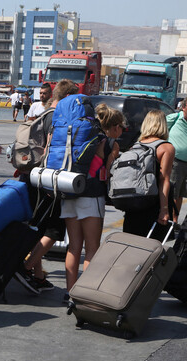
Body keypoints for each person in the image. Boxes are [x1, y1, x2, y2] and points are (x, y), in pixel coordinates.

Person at [15, 79, 78, 294]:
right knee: (53, 229)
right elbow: (52, 148)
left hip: (31, 176)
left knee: (37, 227)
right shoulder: (57, 116)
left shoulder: (42, 114)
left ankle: (38, 275)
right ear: (68, 97)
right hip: (47, 181)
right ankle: (25, 267)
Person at [62, 102, 122, 300]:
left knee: (73, 247)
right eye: (120, 126)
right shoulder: (110, 143)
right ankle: (84, 297)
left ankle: (70, 293)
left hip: (70, 191)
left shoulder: (80, 136)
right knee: (92, 249)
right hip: (92, 197)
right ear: (113, 126)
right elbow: (110, 172)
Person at [122, 110, 175, 240]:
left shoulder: (135, 146)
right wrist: (164, 209)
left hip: (134, 204)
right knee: (151, 249)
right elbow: (164, 179)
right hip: (153, 204)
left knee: (131, 245)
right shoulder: (166, 147)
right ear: (163, 125)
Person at [168, 99, 187, 217]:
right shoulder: (174, 118)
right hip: (176, 162)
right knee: (173, 194)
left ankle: (175, 220)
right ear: (184, 107)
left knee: (180, 194)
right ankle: (170, 220)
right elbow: (158, 130)